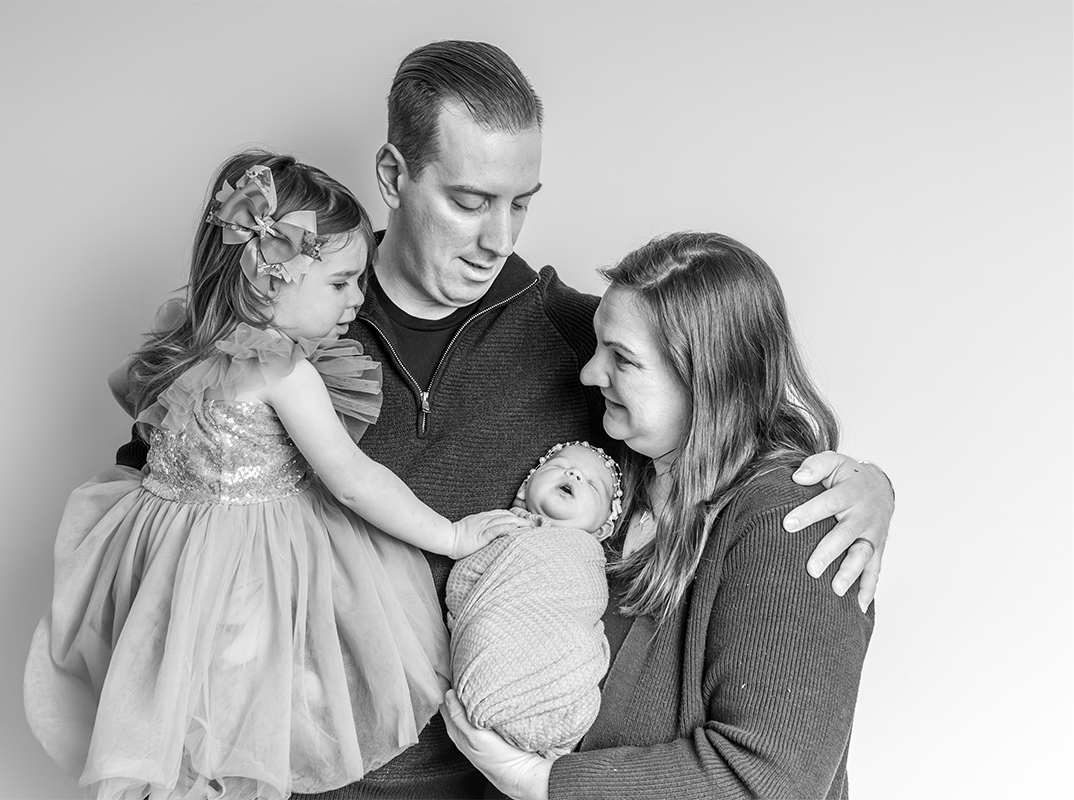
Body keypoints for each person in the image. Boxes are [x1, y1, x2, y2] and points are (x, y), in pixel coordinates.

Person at [116, 41, 895, 799]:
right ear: (393, 175)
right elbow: (167, 502)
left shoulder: (583, 341)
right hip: (280, 775)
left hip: (496, 780)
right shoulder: (287, 317)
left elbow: (725, 406)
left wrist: (865, 488)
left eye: (521, 204)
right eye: (469, 201)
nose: (499, 238)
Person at [24, 151, 526, 800]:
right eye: (341, 283)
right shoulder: (286, 372)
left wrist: (191, 459)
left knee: (174, 701)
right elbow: (352, 479)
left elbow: (127, 388)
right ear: (270, 278)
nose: (358, 298)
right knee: (249, 713)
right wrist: (451, 538)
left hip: (167, 560)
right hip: (249, 569)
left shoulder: (182, 342)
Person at [442, 232, 877, 800]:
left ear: (708, 380)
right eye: (598, 346)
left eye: (622, 359)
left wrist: (540, 782)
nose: (590, 374)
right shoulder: (616, 480)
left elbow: (772, 780)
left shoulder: (797, 522)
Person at [447, 441, 623, 759]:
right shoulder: (502, 527)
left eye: (594, 485)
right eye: (560, 466)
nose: (574, 473)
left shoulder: (587, 555)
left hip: (564, 660)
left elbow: (586, 608)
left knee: (579, 643)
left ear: (604, 527)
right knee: (487, 630)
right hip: (494, 647)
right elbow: (464, 581)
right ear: (526, 486)